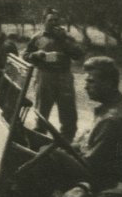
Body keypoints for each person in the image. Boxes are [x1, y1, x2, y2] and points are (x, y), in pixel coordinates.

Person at [12, 56, 122, 197]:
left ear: (109, 83)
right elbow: (86, 148)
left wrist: (56, 151)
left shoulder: (112, 119)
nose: (86, 86)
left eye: (91, 81)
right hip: (97, 167)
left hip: (101, 179)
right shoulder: (111, 108)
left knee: (45, 154)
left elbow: (91, 165)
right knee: (43, 148)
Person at [24, 8, 84, 141]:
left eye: (56, 20)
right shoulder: (38, 37)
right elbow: (25, 55)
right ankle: (38, 141)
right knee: (41, 113)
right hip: (45, 76)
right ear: (44, 21)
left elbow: (78, 55)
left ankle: (66, 143)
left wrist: (64, 40)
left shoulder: (66, 37)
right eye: (50, 20)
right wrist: (35, 55)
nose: (54, 23)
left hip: (64, 76)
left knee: (68, 113)